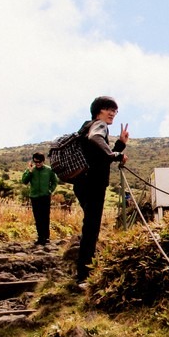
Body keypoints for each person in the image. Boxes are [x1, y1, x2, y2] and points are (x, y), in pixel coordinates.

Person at [72, 96, 129, 283]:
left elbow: (98, 158)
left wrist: (120, 144)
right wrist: (116, 154)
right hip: (93, 184)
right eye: (108, 109)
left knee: (89, 226)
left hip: (81, 183)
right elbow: (96, 139)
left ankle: (83, 272)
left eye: (115, 110)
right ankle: (83, 276)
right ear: (98, 111)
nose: (112, 113)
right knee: (91, 228)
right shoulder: (99, 126)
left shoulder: (86, 126)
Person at [22, 151, 58, 246]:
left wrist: (50, 190)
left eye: (39, 162)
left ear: (43, 161)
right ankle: (40, 237)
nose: (37, 164)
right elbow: (24, 181)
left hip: (45, 196)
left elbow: (55, 182)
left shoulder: (49, 170)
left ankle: (46, 238)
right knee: (37, 218)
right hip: (34, 197)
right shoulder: (31, 170)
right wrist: (29, 171)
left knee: (45, 217)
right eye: (35, 162)